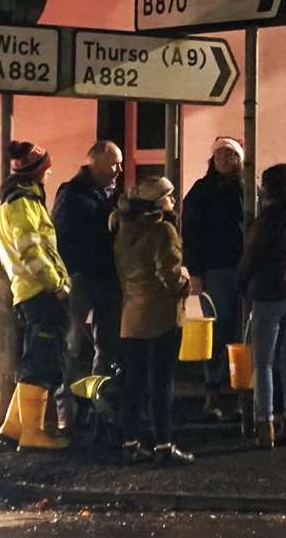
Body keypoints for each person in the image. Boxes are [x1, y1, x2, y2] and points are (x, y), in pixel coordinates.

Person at [0, 141, 72, 452]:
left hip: (31, 290)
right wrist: (56, 284)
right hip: (38, 291)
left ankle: (14, 428)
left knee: (38, 356)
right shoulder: (23, 202)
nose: (49, 172)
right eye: (46, 167)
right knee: (41, 360)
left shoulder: (19, 200)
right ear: (35, 172)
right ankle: (33, 434)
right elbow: (31, 250)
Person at [115, 174, 195, 465]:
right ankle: (163, 445)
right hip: (161, 316)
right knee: (161, 384)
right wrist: (185, 285)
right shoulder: (163, 231)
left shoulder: (123, 229)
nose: (173, 201)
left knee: (133, 384)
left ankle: (130, 444)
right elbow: (169, 273)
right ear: (158, 201)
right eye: (169, 196)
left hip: (131, 316)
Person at [238, 163, 286, 447]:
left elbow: (251, 256)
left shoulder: (269, 220)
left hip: (268, 292)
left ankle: (265, 423)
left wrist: (242, 284)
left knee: (263, 363)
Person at [181, 136, 246, 421]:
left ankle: (243, 394)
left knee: (242, 333)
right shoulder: (200, 191)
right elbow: (191, 235)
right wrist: (195, 272)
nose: (224, 159)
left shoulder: (247, 190)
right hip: (215, 271)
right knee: (216, 333)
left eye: (230, 155)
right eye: (219, 154)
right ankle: (212, 392)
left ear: (238, 160)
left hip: (244, 271)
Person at [52, 141, 124, 378]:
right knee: (71, 341)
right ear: (97, 163)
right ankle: (68, 405)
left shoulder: (111, 195)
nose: (119, 171)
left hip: (106, 277)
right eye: (115, 165)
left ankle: (100, 398)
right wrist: (73, 272)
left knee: (108, 343)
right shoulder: (71, 193)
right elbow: (61, 236)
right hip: (81, 278)